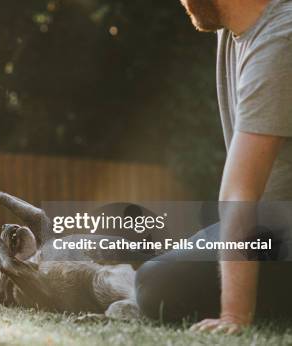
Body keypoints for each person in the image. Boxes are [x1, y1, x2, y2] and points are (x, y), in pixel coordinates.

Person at [135, 0, 292, 334]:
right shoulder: (234, 30)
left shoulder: (282, 37)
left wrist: (234, 315)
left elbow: (240, 190)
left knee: (160, 284)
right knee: (156, 267)